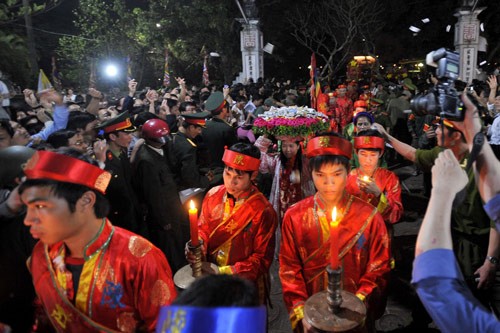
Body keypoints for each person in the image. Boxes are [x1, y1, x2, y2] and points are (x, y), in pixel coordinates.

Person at [19, 148, 176, 332]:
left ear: (86, 200)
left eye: (40, 206)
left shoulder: (139, 259)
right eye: (27, 207)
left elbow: (169, 327)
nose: (28, 220)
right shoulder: (41, 254)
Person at [373, 111, 500, 314]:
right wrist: (387, 137)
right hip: (452, 240)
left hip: (477, 247)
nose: (435, 130)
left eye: (441, 127)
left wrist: (490, 263)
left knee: (478, 299)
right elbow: (414, 155)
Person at [279, 134, 391, 332]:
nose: (328, 183)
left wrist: (359, 302)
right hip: (311, 315)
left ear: (349, 172)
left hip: (355, 312)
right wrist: (301, 310)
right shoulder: (295, 216)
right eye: (320, 175)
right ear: (310, 173)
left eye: (336, 174)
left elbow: (379, 267)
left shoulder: (370, 216)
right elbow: (289, 268)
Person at [186, 143, 277, 304]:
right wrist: (197, 246)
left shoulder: (263, 210)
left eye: (239, 177)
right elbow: (203, 229)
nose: (230, 182)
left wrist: (224, 272)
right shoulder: (213, 195)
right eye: (227, 173)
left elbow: (261, 259)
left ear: (253, 175)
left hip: (242, 284)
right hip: (210, 275)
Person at [133, 118, 189, 272]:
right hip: (164, 214)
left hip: (172, 206)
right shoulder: (147, 161)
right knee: (170, 247)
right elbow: (153, 195)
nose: (164, 141)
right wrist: (163, 220)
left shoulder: (158, 150)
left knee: (178, 241)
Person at [96, 112, 144, 235]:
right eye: (127, 133)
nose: (131, 137)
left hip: (133, 213)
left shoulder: (121, 153)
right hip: (119, 220)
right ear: (112, 137)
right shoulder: (103, 161)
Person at [346, 130, 403, 226]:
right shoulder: (348, 178)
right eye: (363, 154)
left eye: (373, 155)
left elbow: (396, 214)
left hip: (381, 231)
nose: (368, 160)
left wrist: (378, 194)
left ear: (380, 154)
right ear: (356, 152)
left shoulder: (389, 178)